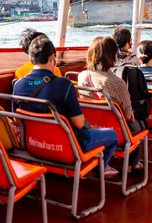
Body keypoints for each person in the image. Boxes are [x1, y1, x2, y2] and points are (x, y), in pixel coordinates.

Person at [13, 37, 119, 177]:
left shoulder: (18, 85)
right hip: (67, 147)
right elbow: (79, 123)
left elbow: (16, 120)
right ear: (52, 58)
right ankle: (98, 170)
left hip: (34, 145)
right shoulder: (64, 84)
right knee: (112, 135)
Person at [78, 37, 144, 171]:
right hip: (118, 132)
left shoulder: (82, 76)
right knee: (141, 124)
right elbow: (128, 114)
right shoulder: (117, 83)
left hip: (91, 125)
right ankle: (133, 164)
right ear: (112, 56)